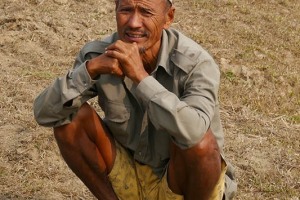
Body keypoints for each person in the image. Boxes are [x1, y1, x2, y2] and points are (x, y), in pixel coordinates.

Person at [34, 0, 237, 199]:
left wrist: (141, 77)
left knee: (201, 144)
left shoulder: (196, 63)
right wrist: (90, 69)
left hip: (179, 183)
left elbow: (195, 134)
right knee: (70, 117)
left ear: (169, 17)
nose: (133, 23)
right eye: (126, 10)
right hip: (128, 176)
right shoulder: (98, 54)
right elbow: (44, 114)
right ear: (115, 10)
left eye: (146, 13)